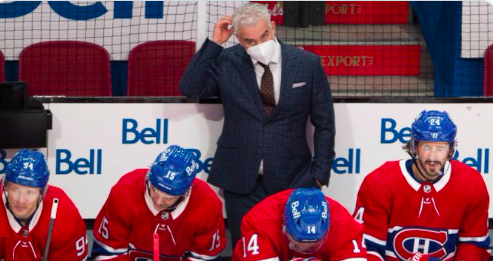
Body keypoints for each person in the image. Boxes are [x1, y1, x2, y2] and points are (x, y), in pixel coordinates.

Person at [180, 2, 335, 247]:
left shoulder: (306, 63)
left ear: (273, 27)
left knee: (291, 249)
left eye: (264, 35)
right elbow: (190, 88)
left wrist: (319, 175)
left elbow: (325, 123)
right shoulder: (228, 61)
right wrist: (215, 43)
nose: (259, 45)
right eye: (250, 41)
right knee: (246, 249)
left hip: (294, 178)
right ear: (240, 41)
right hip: (240, 180)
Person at [353, 110, 490, 260]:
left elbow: (474, 245)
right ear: (414, 147)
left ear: (451, 150)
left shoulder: (470, 184)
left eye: (440, 148)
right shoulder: (379, 182)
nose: (433, 157)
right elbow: (367, 248)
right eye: (427, 147)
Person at [91, 145, 226, 261]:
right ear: (149, 177)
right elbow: (108, 252)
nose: (158, 202)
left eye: (168, 198)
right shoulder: (125, 191)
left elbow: (203, 257)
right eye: (154, 191)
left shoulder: (208, 204)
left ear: (185, 192)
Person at [232, 188, 367, 261]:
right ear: (283, 226)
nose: (304, 250)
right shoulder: (260, 222)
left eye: (313, 244)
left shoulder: (345, 226)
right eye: (297, 242)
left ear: (329, 229)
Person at [0, 149, 88, 260]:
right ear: (5, 186)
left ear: (42, 193)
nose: (21, 200)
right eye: (15, 189)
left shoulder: (65, 213)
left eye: (30, 192)